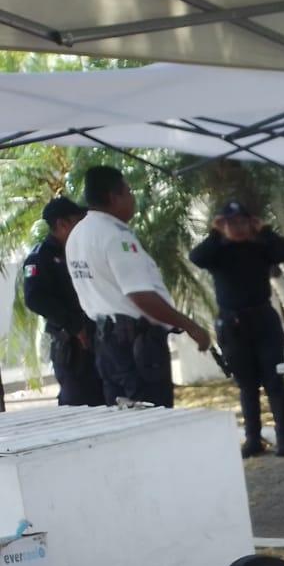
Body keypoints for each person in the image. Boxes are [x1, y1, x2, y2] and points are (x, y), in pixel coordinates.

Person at [66, 165, 211, 406]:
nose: (133, 198)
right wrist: (191, 326)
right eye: (129, 192)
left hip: (107, 342)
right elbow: (141, 295)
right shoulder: (116, 236)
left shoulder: (78, 234)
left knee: (124, 420)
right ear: (114, 197)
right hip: (135, 346)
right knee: (152, 417)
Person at [189, 199, 284, 457]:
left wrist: (265, 231)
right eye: (230, 223)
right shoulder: (218, 251)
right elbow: (196, 257)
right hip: (233, 324)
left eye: (241, 222)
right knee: (247, 385)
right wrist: (215, 233)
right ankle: (253, 439)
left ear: (250, 223)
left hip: (263, 320)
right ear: (222, 224)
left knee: (274, 381)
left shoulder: (260, 248)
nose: (236, 228)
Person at [21, 196, 102, 406]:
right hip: (72, 346)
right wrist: (73, 325)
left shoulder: (82, 251)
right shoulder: (41, 257)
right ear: (62, 224)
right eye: (78, 222)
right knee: (80, 404)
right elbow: (34, 298)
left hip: (98, 339)